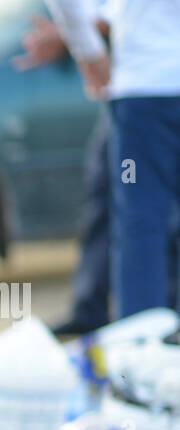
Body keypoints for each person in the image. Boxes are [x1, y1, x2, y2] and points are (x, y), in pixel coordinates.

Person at [48, 0, 180, 321]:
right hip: (146, 90)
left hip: (144, 92)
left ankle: (142, 345)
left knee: (141, 221)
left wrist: (88, 50)